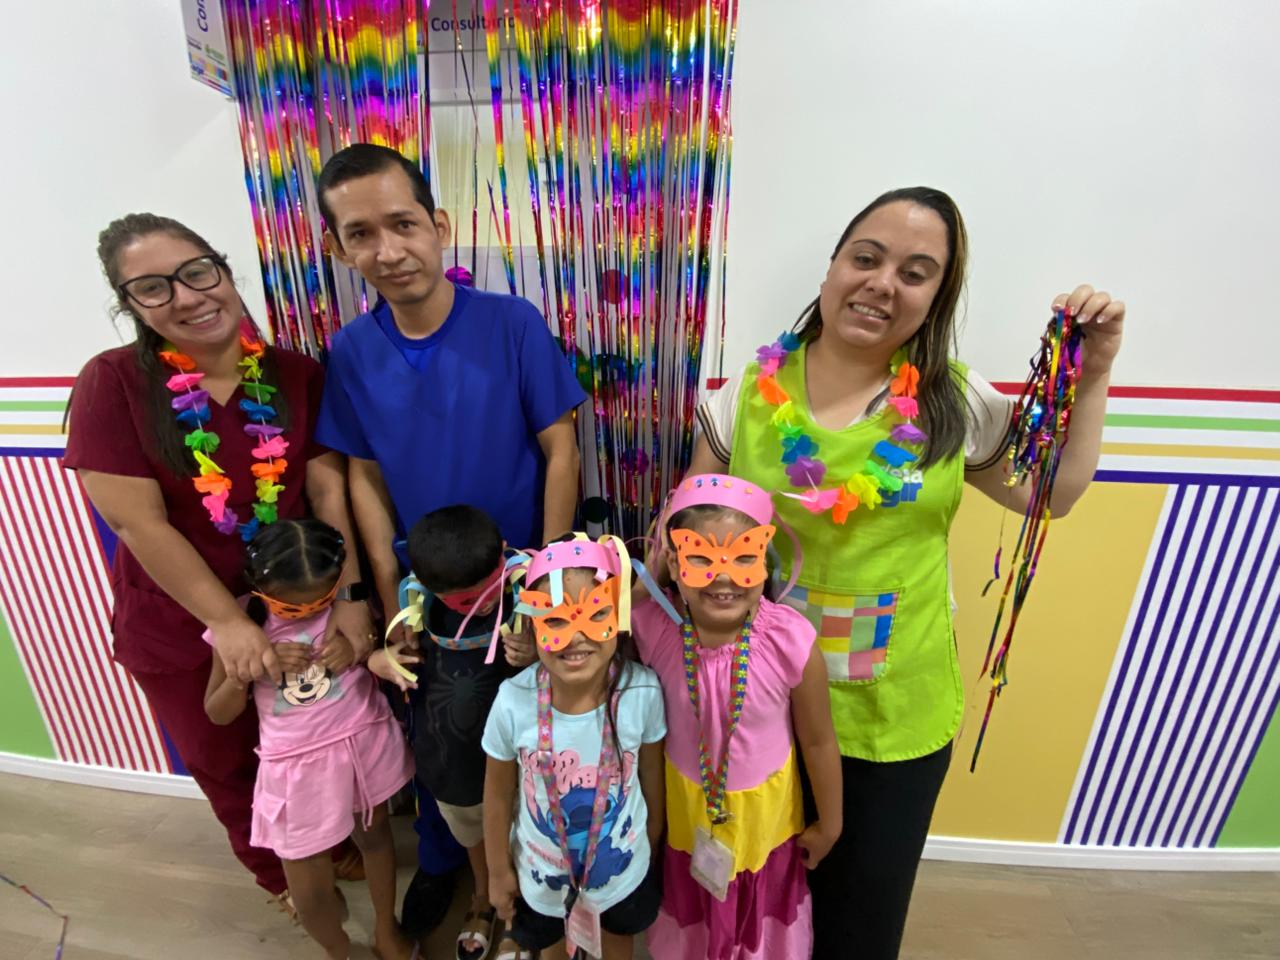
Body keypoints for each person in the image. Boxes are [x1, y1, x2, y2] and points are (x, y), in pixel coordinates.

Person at [686, 186, 1127, 958]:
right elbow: (692, 520)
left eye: (915, 273)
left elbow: (1049, 495)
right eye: (867, 258)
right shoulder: (745, 397)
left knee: (859, 925)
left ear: (936, 298)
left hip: (893, 721)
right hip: (756, 711)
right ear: (832, 268)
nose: (883, 283)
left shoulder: (954, 402)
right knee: (755, 916)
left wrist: (1093, 377)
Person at [63, 214, 375, 915]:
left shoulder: (295, 373)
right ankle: (277, 875)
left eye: (197, 272)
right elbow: (136, 522)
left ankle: (325, 842)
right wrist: (228, 624)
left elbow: (327, 492)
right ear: (130, 304)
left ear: (224, 271)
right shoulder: (112, 382)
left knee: (306, 732)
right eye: (152, 287)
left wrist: (351, 596)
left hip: (298, 605)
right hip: (180, 623)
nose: (186, 296)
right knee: (224, 756)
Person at [314, 143, 587, 930]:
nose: (388, 250)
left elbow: (561, 449)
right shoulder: (352, 352)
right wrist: (381, 594)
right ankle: (444, 866)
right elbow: (364, 475)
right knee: (434, 732)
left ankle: (537, 877)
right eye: (361, 234)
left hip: (518, 580)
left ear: (439, 225)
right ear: (339, 249)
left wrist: (549, 575)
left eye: (403, 224)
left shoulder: (511, 324)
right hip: (425, 590)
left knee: (529, 728)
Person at [631, 473, 843, 959]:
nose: (723, 578)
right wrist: (656, 571)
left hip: (765, 827)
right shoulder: (653, 630)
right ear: (675, 564)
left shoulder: (789, 640)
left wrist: (830, 823)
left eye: (743, 557)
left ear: (765, 560)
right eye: (700, 559)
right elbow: (599, 624)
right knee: (692, 926)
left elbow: (818, 740)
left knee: (758, 930)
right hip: (686, 820)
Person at [204, 519, 416, 960]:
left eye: (318, 601)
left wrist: (359, 651)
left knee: (376, 838)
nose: (304, 613)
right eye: (290, 606)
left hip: (362, 743)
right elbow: (217, 712)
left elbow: (372, 652)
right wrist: (251, 670)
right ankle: (337, 950)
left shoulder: (348, 604)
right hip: (295, 770)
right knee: (308, 885)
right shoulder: (241, 621)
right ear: (260, 587)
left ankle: (386, 927)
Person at [482, 537, 666, 960]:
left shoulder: (642, 693)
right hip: (540, 877)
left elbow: (652, 776)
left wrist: (652, 840)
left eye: (595, 614)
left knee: (618, 944)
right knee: (550, 949)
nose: (576, 637)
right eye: (555, 620)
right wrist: (497, 871)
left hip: (623, 872)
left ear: (617, 615)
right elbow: (497, 793)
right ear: (532, 626)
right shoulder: (513, 702)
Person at [368, 505, 534, 960]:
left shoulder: (527, 594)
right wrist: (379, 660)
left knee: (526, 836)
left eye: (486, 589)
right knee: (474, 835)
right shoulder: (416, 608)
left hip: (522, 767)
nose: (480, 604)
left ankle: (520, 915)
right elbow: (387, 657)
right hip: (453, 764)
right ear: (426, 584)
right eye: (463, 601)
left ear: (502, 555)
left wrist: (536, 651)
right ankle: (483, 896)